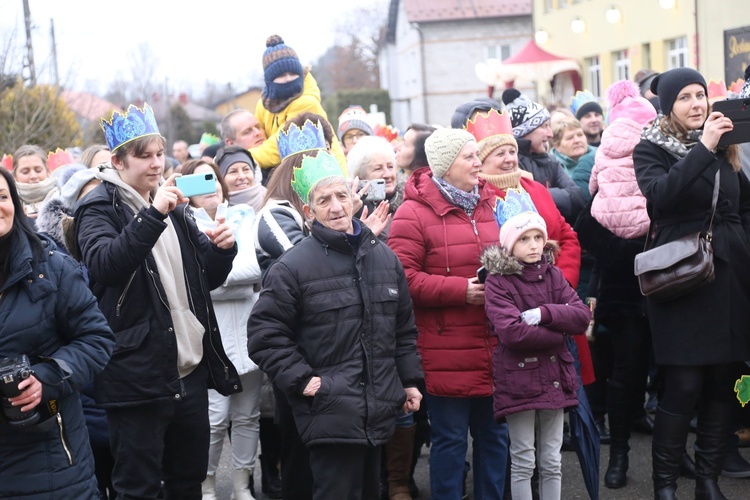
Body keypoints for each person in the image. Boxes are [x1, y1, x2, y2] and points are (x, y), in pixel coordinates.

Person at [75, 103, 242, 499]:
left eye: (159, 154)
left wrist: (222, 251)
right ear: (117, 161)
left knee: (188, 482)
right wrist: (153, 214)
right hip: (136, 377)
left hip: (187, 370)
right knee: (138, 487)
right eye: (144, 156)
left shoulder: (172, 203)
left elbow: (206, 280)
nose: (155, 164)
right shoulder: (97, 207)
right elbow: (106, 266)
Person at [247, 149, 423, 500]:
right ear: (309, 213)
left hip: (378, 409)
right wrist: (304, 380)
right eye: (324, 200)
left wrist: (410, 381)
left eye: (342, 195)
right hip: (328, 410)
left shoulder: (383, 258)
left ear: (354, 200)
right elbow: (264, 335)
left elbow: (402, 329)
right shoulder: (293, 267)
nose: (336, 206)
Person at [633, 67, 750, 499]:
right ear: (667, 105)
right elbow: (661, 197)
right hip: (683, 280)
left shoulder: (727, 147)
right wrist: (703, 148)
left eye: (700, 95)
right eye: (684, 97)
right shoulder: (650, 148)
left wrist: (742, 247)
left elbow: (744, 205)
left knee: (724, 383)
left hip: (731, 279)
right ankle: (665, 484)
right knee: (683, 385)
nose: (697, 104)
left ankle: (707, 480)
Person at [389, 128, 510, 499]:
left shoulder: (494, 203)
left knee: (495, 438)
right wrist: (462, 291)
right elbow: (402, 279)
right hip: (445, 349)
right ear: (445, 166)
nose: (479, 163)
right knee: (451, 441)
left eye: (477, 156)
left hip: (495, 343)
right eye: (469, 157)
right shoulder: (413, 212)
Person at [0, 167, 115, 498]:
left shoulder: (50, 265)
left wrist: (46, 377)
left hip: (51, 461)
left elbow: (97, 339)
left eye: (3, 196)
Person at [481, 211, 590, 500]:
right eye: (524, 238)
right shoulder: (498, 281)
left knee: (552, 460)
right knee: (523, 459)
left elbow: (580, 317)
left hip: (555, 376)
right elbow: (512, 332)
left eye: (538, 237)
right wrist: (558, 334)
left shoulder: (553, 275)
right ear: (508, 245)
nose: (533, 245)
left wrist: (545, 313)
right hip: (518, 380)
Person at [180, 158, 263, 500]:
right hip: (209, 339)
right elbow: (192, 283)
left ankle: (243, 484)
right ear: (186, 187)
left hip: (248, 331)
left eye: (213, 178)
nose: (210, 185)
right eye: (199, 180)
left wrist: (215, 279)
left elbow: (254, 268)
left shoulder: (244, 216)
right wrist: (224, 279)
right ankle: (208, 485)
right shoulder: (183, 224)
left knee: (248, 416)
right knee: (213, 420)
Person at [252, 35, 346, 171]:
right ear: (269, 80)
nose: (288, 79)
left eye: (293, 73)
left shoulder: (306, 103)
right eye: (281, 75)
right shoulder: (263, 104)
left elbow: (283, 145)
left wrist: (245, 158)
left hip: (324, 173)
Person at [501, 89, 585, 224]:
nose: (550, 134)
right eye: (544, 126)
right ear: (526, 130)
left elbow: (578, 197)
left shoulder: (550, 160)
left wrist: (541, 194)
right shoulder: (510, 163)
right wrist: (559, 195)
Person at [589, 79, 657, 240]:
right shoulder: (650, 145)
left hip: (605, 219)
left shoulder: (602, 148)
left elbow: (593, 187)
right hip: (644, 221)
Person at [347, 135, 401, 240]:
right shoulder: (352, 210)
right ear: (361, 177)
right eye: (378, 169)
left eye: (390, 167)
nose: (387, 174)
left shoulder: (407, 201)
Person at [550, 117, 598, 202]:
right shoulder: (551, 166)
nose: (577, 140)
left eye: (580, 135)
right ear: (557, 146)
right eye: (570, 138)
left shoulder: (599, 156)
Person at [11, 144, 59, 218]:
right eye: (25, 172)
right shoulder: (7, 203)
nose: (33, 176)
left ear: (47, 171)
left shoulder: (64, 198)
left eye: (38, 170)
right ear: (15, 176)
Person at [214, 146, 267, 212]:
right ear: (221, 179)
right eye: (233, 171)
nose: (242, 177)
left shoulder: (271, 201)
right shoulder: (214, 210)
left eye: (246, 169)